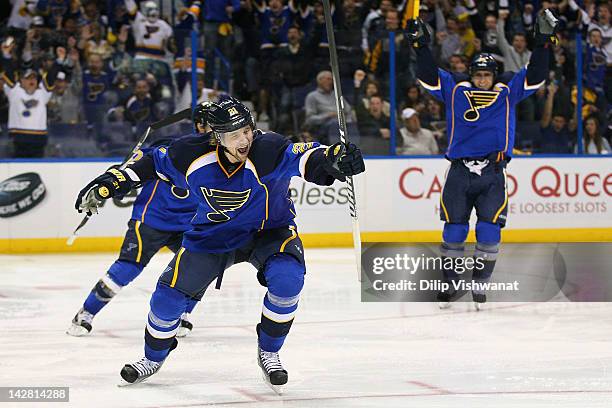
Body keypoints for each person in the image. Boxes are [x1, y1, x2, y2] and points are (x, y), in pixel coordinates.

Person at [74, 97, 365, 389]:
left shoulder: (269, 148)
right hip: (212, 236)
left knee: (288, 280)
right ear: (216, 137)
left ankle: (269, 351)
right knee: (166, 300)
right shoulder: (189, 154)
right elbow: (149, 163)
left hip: (269, 231)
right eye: (234, 135)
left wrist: (334, 158)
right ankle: (152, 358)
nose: (244, 140)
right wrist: (108, 184)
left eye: (247, 131)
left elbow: (308, 158)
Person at [407, 9, 556, 309]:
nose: (483, 79)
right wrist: (420, 47)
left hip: (493, 172)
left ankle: (480, 284)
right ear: (472, 75)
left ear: (494, 76)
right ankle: (449, 286)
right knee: (454, 230)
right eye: (478, 74)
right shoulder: (456, 90)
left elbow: (536, 77)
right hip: (460, 172)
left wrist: (542, 45)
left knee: (489, 229)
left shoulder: (506, 92)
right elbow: (428, 76)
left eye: (487, 74)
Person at [68, 143, 200, 337]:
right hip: (151, 219)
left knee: (201, 266)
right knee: (127, 268)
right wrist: (110, 181)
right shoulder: (168, 148)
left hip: (189, 222)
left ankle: (182, 312)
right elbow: (128, 173)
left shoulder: (222, 154)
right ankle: (86, 312)